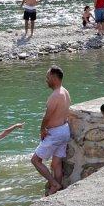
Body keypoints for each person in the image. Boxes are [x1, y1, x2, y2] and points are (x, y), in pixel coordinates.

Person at [31, 66, 71, 195]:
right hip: (65, 130)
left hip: (56, 133)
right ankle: (57, 190)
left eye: (47, 77)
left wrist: (42, 129)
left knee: (35, 160)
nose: (46, 80)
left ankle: (53, 183)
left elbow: (47, 116)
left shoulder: (55, 95)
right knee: (56, 163)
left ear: (54, 77)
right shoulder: (65, 91)